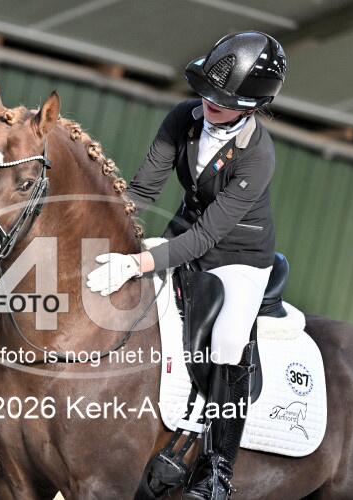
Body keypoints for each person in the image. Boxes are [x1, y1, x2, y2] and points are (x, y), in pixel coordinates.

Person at [86, 31, 287, 499]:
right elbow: (142, 192)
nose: (209, 103)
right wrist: (102, 234)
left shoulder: (258, 155)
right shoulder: (183, 118)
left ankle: (218, 469)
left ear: (252, 106)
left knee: (229, 340)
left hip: (238, 258)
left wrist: (138, 262)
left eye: (224, 100)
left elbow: (206, 237)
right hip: (181, 235)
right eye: (207, 92)